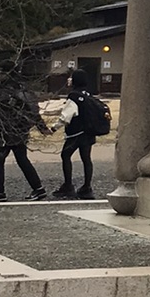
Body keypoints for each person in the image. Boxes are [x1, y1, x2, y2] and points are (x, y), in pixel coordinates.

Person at [0, 70, 51, 201]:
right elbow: (33, 111)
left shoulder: (4, 91)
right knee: (22, 160)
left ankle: (0, 192)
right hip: (19, 131)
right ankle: (38, 188)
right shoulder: (24, 90)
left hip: (4, 132)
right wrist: (42, 127)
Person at [53, 70, 106, 200]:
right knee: (86, 159)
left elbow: (66, 116)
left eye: (72, 78)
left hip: (76, 133)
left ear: (75, 80)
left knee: (65, 155)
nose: (69, 79)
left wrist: (54, 128)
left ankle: (68, 186)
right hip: (88, 132)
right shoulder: (88, 95)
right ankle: (87, 187)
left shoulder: (73, 96)